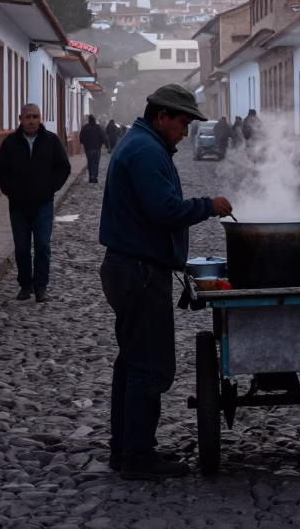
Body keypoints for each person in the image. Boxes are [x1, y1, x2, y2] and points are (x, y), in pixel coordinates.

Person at [99, 84, 233, 480]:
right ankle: (138, 457)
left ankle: (123, 449)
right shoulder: (144, 150)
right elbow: (164, 209)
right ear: (161, 117)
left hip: (131, 267)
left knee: (131, 362)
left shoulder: (143, 143)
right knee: (149, 366)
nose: (186, 130)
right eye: (183, 122)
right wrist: (209, 206)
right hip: (139, 272)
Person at [0, 102, 71, 303]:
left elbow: (64, 167)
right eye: (27, 117)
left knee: (43, 245)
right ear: (20, 119)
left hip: (43, 205)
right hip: (18, 206)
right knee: (21, 247)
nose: (31, 121)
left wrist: (50, 188)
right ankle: (25, 285)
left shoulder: (51, 141)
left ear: (40, 118)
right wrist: (11, 191)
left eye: (35, 117)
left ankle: (41, 287)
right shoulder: (10, 142)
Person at [80, 114, 106, 183]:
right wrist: (101, 143)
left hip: (88, 148)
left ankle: (90, 177)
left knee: (90, 163)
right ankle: (95, 177)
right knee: (96, 163)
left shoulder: (85, 127)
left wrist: (83, 143)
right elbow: (103, 136)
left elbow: (81, 136)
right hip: (97, 148)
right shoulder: (98, 127)